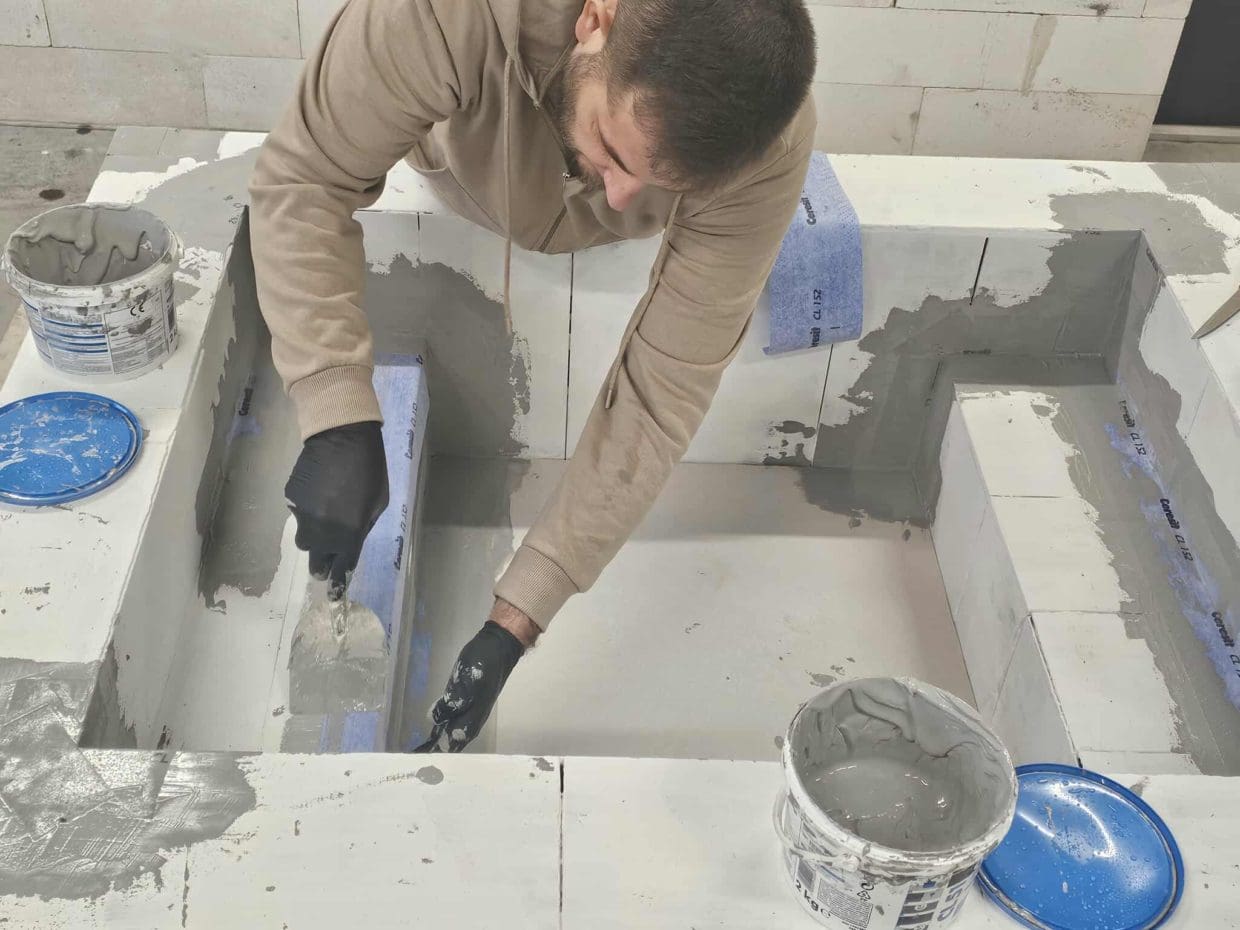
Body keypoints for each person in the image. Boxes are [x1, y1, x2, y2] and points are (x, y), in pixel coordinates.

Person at [250, 0, 817, 751]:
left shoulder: (769, 145)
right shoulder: (444, 14)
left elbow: (662, 390)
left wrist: (518, 617)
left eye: (660, 184)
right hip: (458, 159)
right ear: (596, 20)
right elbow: (306, 177)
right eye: (613, 149)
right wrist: (333, 407)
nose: (622, 196)